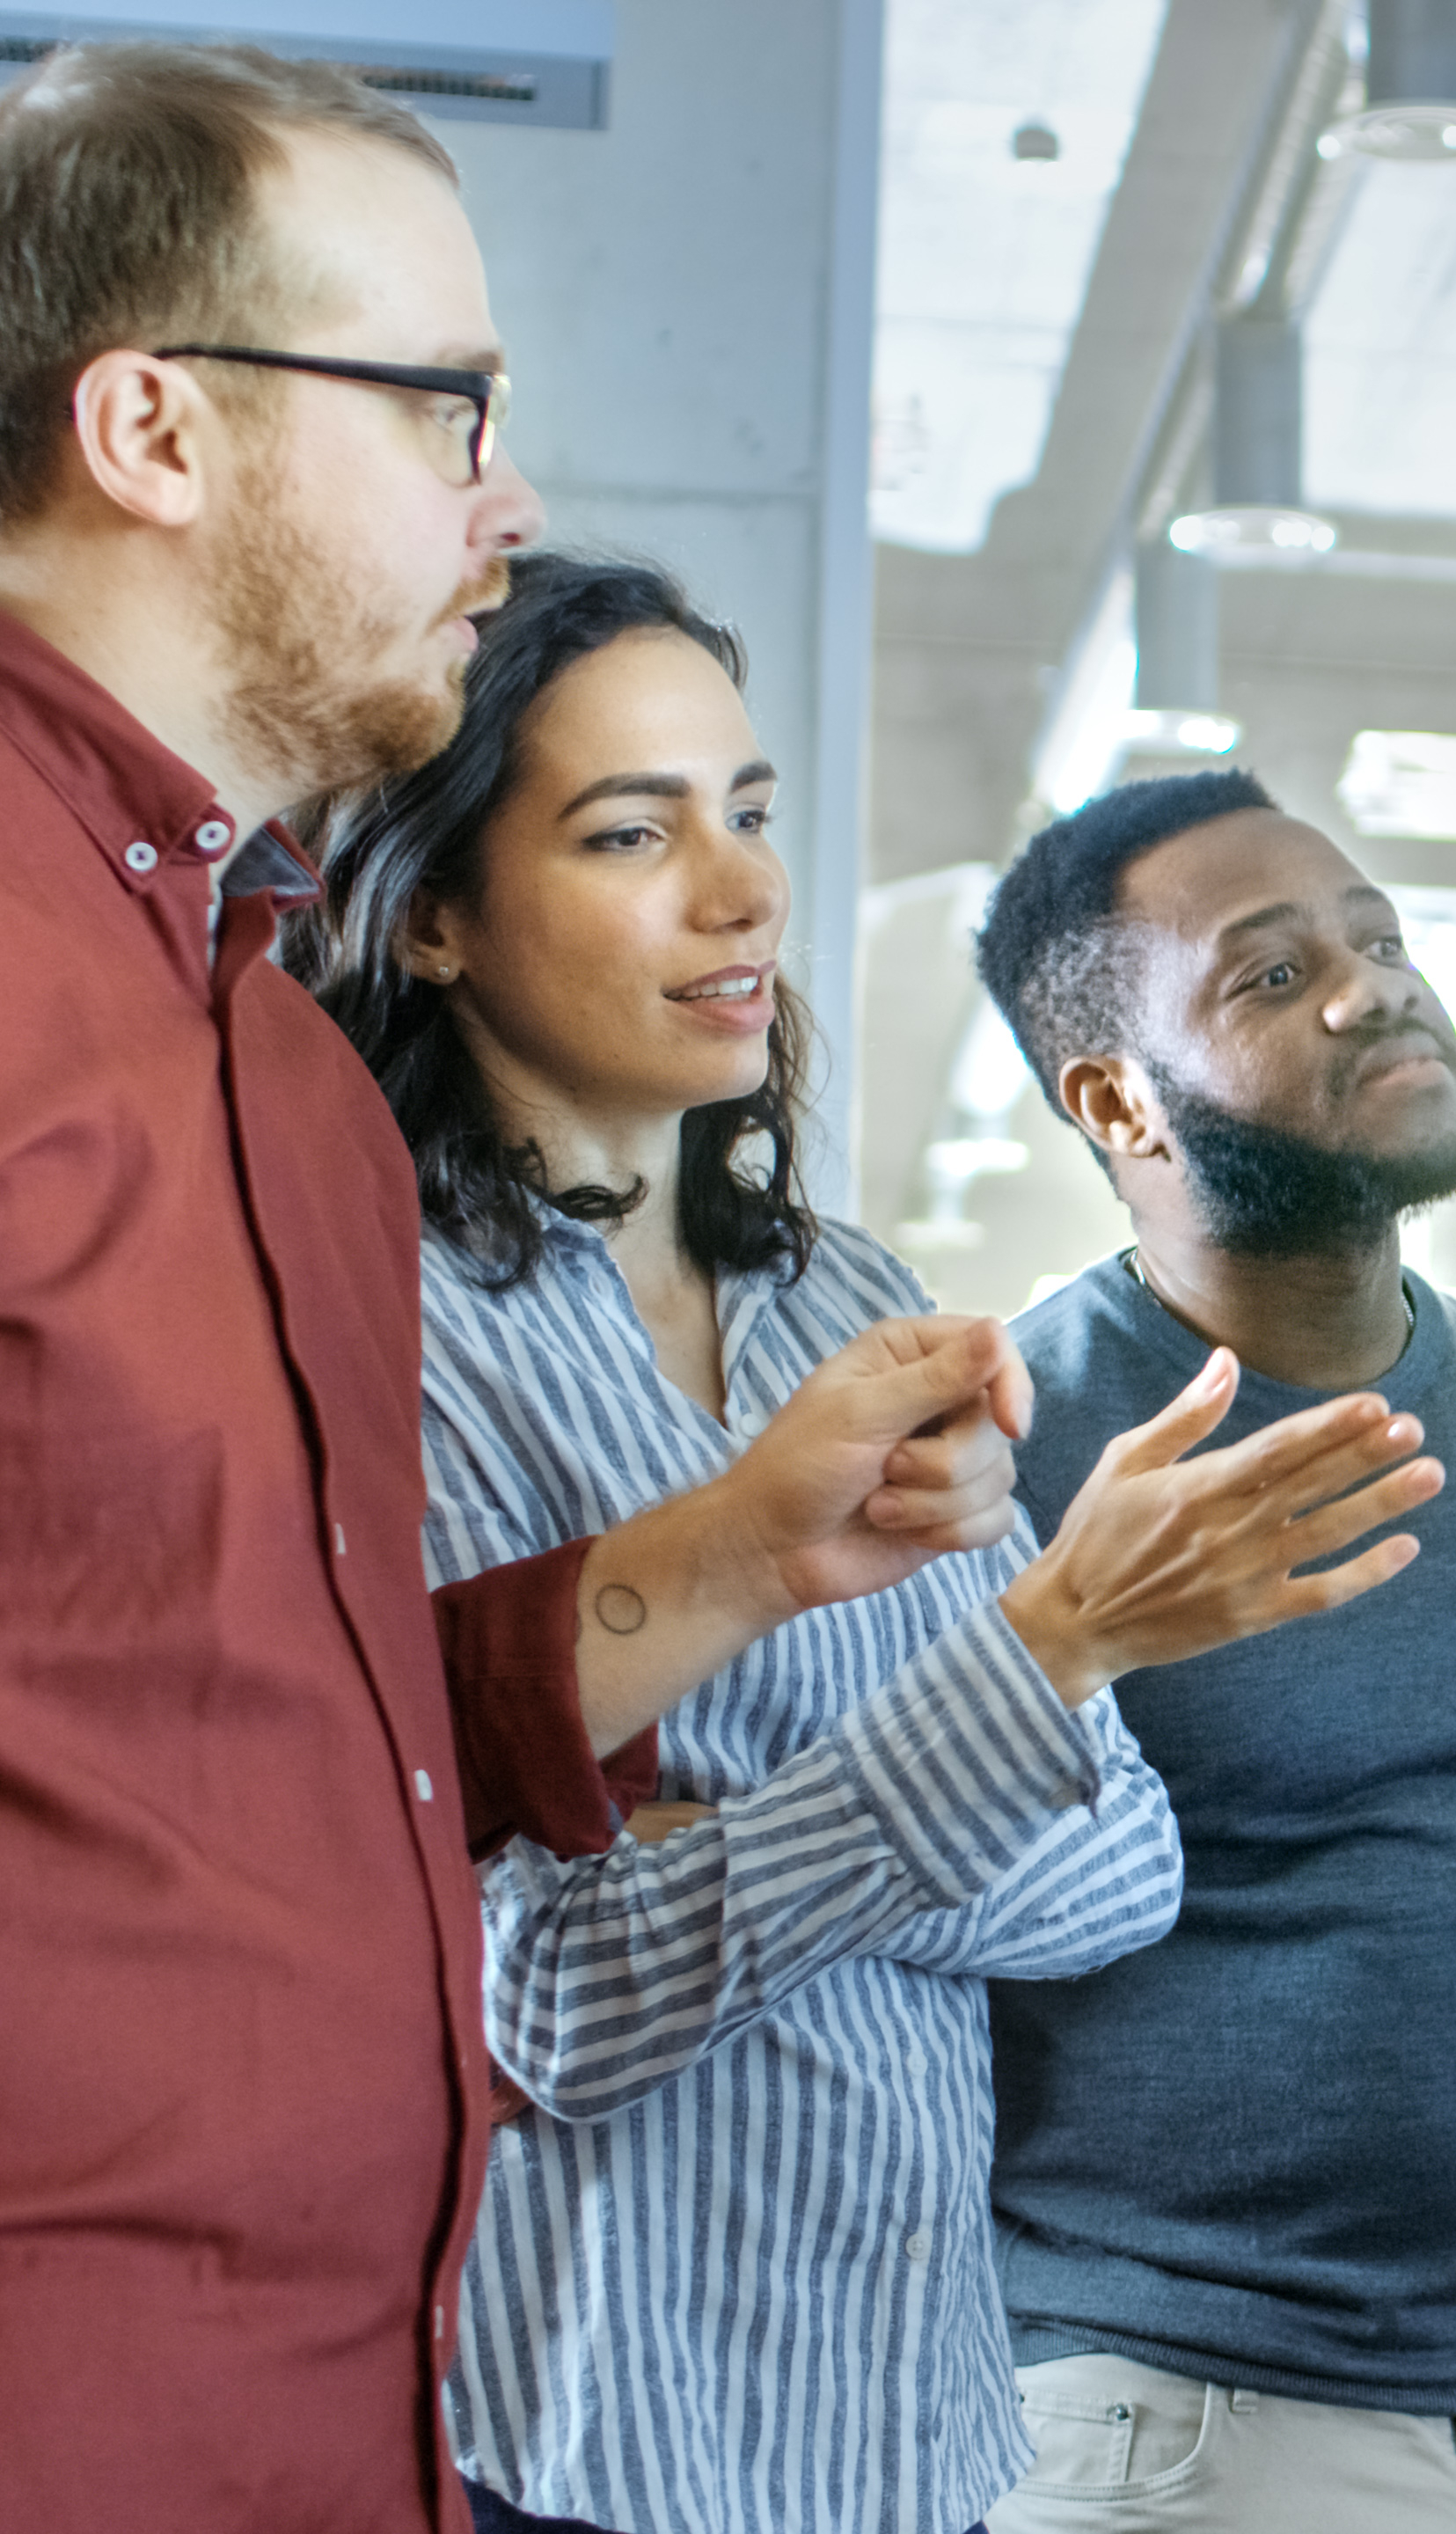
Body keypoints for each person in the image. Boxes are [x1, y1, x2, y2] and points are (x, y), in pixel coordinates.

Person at [0, 46, 1035, 2530]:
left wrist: (758, 1552)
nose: (516, 494)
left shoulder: (273, 1060)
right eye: (445, 407)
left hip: (364, 2420)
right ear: (153, 423)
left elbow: (286, 1722)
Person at [287, 554, 1454, 2534]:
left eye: (746, 813)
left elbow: (1111, 1881)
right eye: (628, 834)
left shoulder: (858, 1310)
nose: (743, 895)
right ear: (440, 923)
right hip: (581, 2462)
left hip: (908, 2450)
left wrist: (729, 1831)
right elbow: (550, 1997)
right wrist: (1033, 1672)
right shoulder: (383, 1325)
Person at [963, 770, 1456, 2534]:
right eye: (1270, 977)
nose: (1372, 988)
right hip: (1158, 2412)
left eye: (1376, 939)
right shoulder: (1001, 1445)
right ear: (1118, 1101)